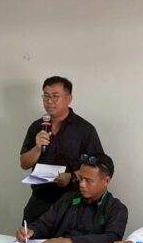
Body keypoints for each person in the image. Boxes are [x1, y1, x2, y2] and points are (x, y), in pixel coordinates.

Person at [19, 76, 104, 223]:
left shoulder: (84, 129)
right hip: (40, 201)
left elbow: (98, 167)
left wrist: (71, 177)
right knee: (28, 237)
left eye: (55, 96)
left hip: (73, 202)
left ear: (69, 98)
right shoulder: (37, 126)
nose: (49, 101)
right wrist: (37, 147)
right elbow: (24, 163)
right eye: (46, 96)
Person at [14, 153, 127, 243]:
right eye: (80, 178)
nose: (82, 184)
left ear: (106, 181)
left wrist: (71, 242)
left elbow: (112, 238)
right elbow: (45, 223)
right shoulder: (68, 199)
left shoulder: (116, 209)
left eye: (88, 180)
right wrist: (31, 231)